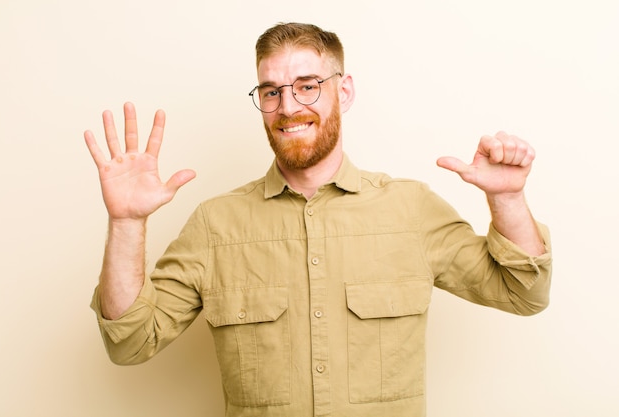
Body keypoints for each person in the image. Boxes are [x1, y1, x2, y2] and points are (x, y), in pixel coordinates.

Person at [84, 22, 552, 417]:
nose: (288, 107)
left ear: (343, 91)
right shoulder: (215, 225)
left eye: (307, 86)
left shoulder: (411, 209)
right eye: (271, 91)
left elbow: (523, 292)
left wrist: (508, 199)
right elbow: (129, 343)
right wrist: (126, 223)